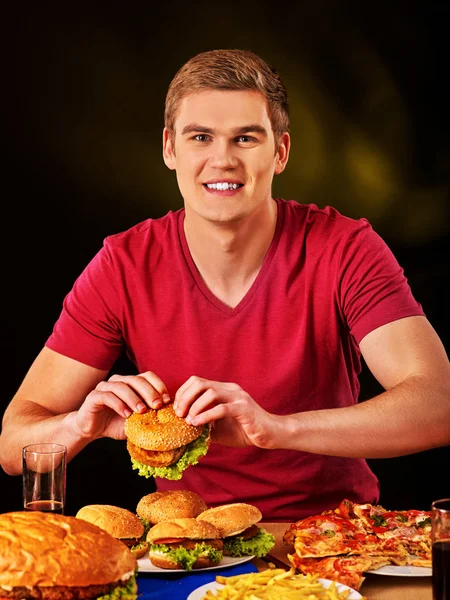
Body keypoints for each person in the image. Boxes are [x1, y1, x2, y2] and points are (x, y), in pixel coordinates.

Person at [1, 49, 449, 521]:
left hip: (334, 535)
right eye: (201, 137)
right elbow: (14, 445)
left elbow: (438, 405)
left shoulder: (345, 247)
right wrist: (80, 426)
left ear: (280, 152)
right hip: (190, 541)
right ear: (170, 148)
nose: (223, 159)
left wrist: (274, 429)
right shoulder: (123, 265)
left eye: (246, 138)